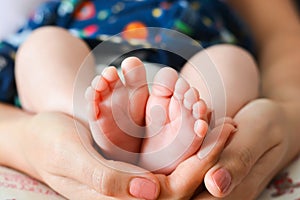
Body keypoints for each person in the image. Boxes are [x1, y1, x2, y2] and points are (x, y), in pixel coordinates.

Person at [0, 0, 299, 199]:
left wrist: (288, 107)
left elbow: (280, 35)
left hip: (191, 73)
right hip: (91, 66)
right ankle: (87, 117)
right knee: (43, 45)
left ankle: (178, 143)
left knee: (234, 61)